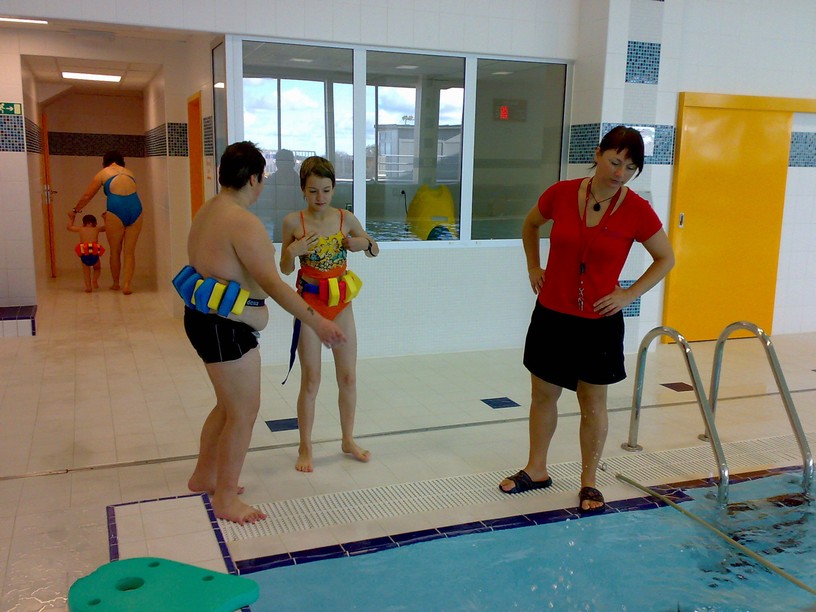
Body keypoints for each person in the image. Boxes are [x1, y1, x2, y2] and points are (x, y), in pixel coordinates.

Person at [499, 125, 675, 513]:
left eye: (630, 168)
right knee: (543, 395)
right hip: (552, 314)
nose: (620, 173)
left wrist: (628, 294)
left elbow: (666, 258)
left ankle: (589, 481)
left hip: (599, 321)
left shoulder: (637, 210)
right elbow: (530, 225)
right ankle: (536, 469)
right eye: (615, 162)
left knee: (592, 402)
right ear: (598, 154)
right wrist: (533, 266)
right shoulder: (561, 194)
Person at [181, 142, 346, 525]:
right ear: (255, 178)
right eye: (262, 178)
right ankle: (225, 499)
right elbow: (274, 284)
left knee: (227, 406)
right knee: (243, 412)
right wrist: (318, 321)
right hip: (225, 328)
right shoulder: (243, 222)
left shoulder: (208, 210)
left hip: (205, 321)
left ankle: (204, 476)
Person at [279, 156, 380, 473]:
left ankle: (348, 439)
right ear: (303, 191)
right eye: (313, 191)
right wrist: (291, 252)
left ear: (334, 189)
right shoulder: (293, 223)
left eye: (325, 190)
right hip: (310, 307)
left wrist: (361, 243)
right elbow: (285, 269)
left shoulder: (345, 218)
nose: (319, 197)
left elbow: (374, 249)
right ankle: (305, 447)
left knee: (348, 377)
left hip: (341, 305)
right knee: (311, 380)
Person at [72, 151, 143, 295]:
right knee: (129, 252)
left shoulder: (103, 173)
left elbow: (87, 196)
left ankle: (116, 284)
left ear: (105, 162)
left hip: (115, 211)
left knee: (115, 251)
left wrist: (75, 210)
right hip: (137, 210)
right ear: (121, 161)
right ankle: (127, 285)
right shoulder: (130, 172)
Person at [67, 211, 106, 292]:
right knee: (97, 268)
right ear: (94, 222)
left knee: (86, 272)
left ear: (84, 222)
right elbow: (106, 227)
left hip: (85, 251)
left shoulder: (81, 229)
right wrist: (105, 218)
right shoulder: (96, 229)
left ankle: (88, 287)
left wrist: (71, 218)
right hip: (94, 251)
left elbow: (69, 227)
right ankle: (94, 280)